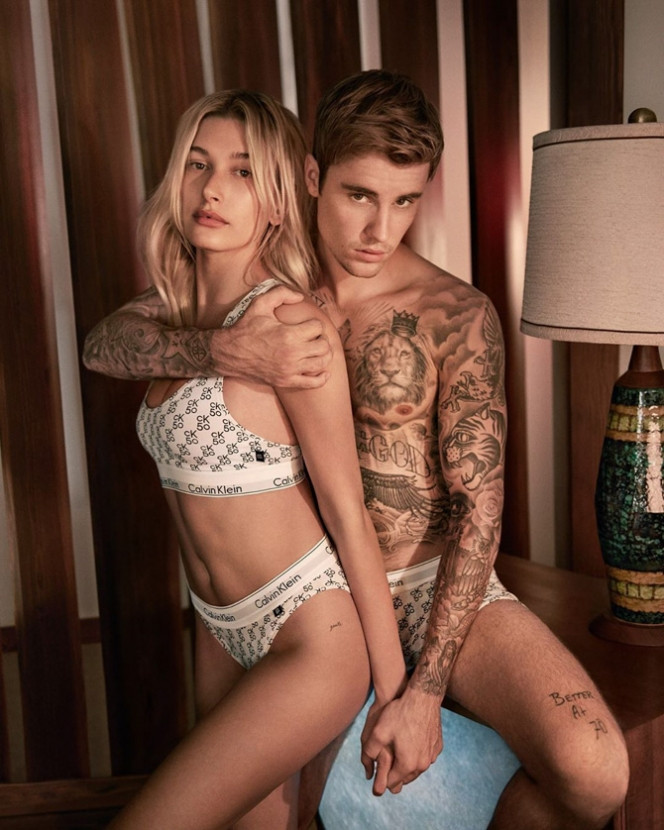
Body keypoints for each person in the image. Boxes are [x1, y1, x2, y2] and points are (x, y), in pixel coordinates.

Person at [85, 72, 630, 829]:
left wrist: (423, 692)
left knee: (595, 773)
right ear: (311, 179)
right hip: (304, 591)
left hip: (426, 579)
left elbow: (479, 507)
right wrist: (226, 350)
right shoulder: (258, 268)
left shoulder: (453, 313)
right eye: (360, 196)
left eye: (406, 201)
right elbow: (111, 340)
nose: (381, 230)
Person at [95, 89, 408, 830]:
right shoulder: (170, 315)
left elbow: (347, 514)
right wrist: (221, 350)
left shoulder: (291, 323)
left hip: (311, 636)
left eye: (241, 172)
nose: (212, 189)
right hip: (217, 626)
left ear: (275, 199)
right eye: (198, 164)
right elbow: (97, 345)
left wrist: (398, 698)